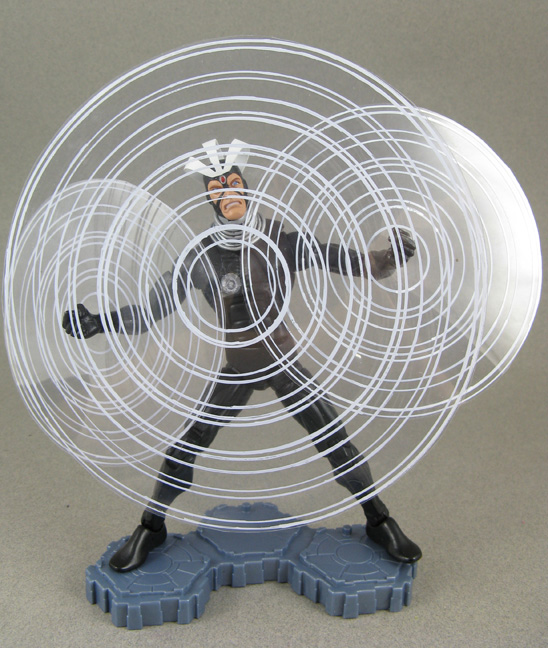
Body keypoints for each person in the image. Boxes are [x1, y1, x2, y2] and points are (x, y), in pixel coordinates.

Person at [63, 140, 421, 572]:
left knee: (334, 438)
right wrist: (100, 321)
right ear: (209, 198)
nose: (228, 192)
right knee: (186, 446)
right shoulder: (200, 256)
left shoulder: (281, 241)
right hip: (237, 368)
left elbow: (351, 262)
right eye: (218, 188)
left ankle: (379, 520)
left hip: (283, 362)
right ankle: (151, 526)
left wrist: (390, 257)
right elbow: (151, 311)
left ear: (247, 187)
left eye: (234, 183)